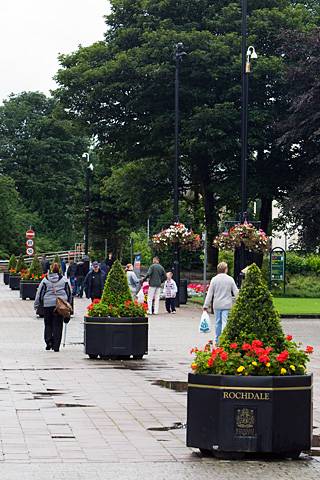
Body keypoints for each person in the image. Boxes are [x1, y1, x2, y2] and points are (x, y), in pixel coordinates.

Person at [34, 262, 72, 352]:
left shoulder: (45, 280)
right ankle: (56, 346)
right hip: (60, 306)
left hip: (47, 305)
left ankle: (48, 341)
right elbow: (69, 293)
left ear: (51, 269)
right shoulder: (64, 280)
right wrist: (68, 305)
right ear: (59, 269)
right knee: (58, 325)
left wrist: (37, 304)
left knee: (48, 324)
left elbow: (40, 293)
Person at [203, 262, 239, 345]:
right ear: (225, 269)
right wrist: (239, 300)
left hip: (217, 304)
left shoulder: (214, 279)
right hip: (227, 304)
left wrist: (206, 305)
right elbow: (235, 291)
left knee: (217, 322)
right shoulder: (230, 279)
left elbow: (210, 293)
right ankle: (224, 338)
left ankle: (217, 340)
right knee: (225, 321)